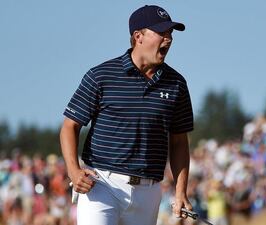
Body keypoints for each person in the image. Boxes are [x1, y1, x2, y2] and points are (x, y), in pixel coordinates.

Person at [59, 5, 193, 225]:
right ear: (138, 36)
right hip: (101, 185)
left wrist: (180, 192)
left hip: (148, 192)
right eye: (162, 33)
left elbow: (179, 142)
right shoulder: (101, 75)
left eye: (170, 34)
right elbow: (69, 126)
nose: (168, 39)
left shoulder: (176, 83)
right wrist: (74, 171)